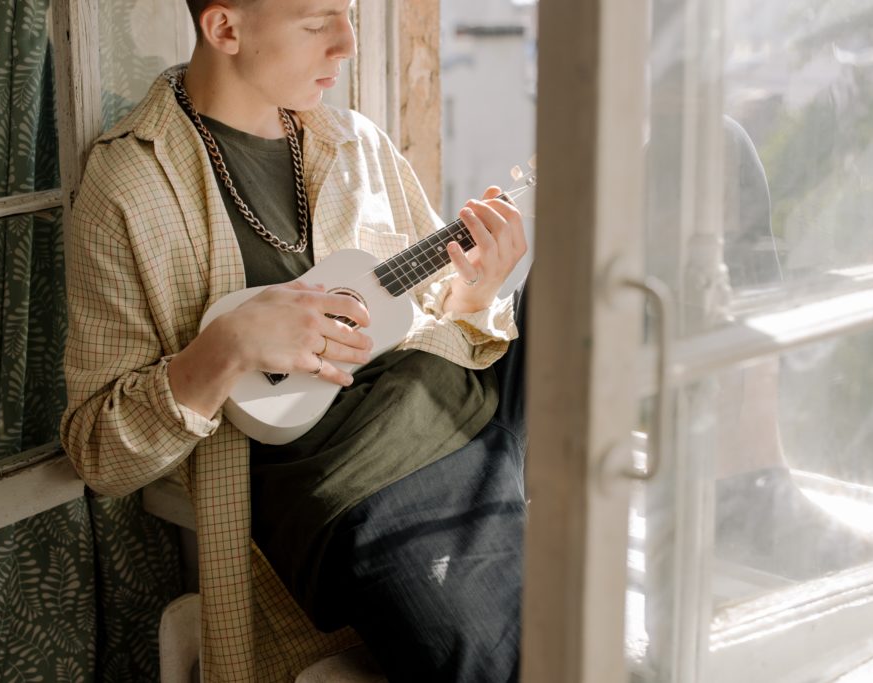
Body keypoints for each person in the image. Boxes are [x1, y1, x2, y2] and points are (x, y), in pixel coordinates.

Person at [59, 0, 529, 681]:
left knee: (588, 290)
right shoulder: (130, 186)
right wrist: (223, 351)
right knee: (504, 657)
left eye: (348, 14)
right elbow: (99, 453)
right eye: (317, 23)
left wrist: (476, 293)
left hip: (471, 415)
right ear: (224, 29)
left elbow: (435, 318)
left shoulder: (357, 142)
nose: (346, 45)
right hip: (360, 490)